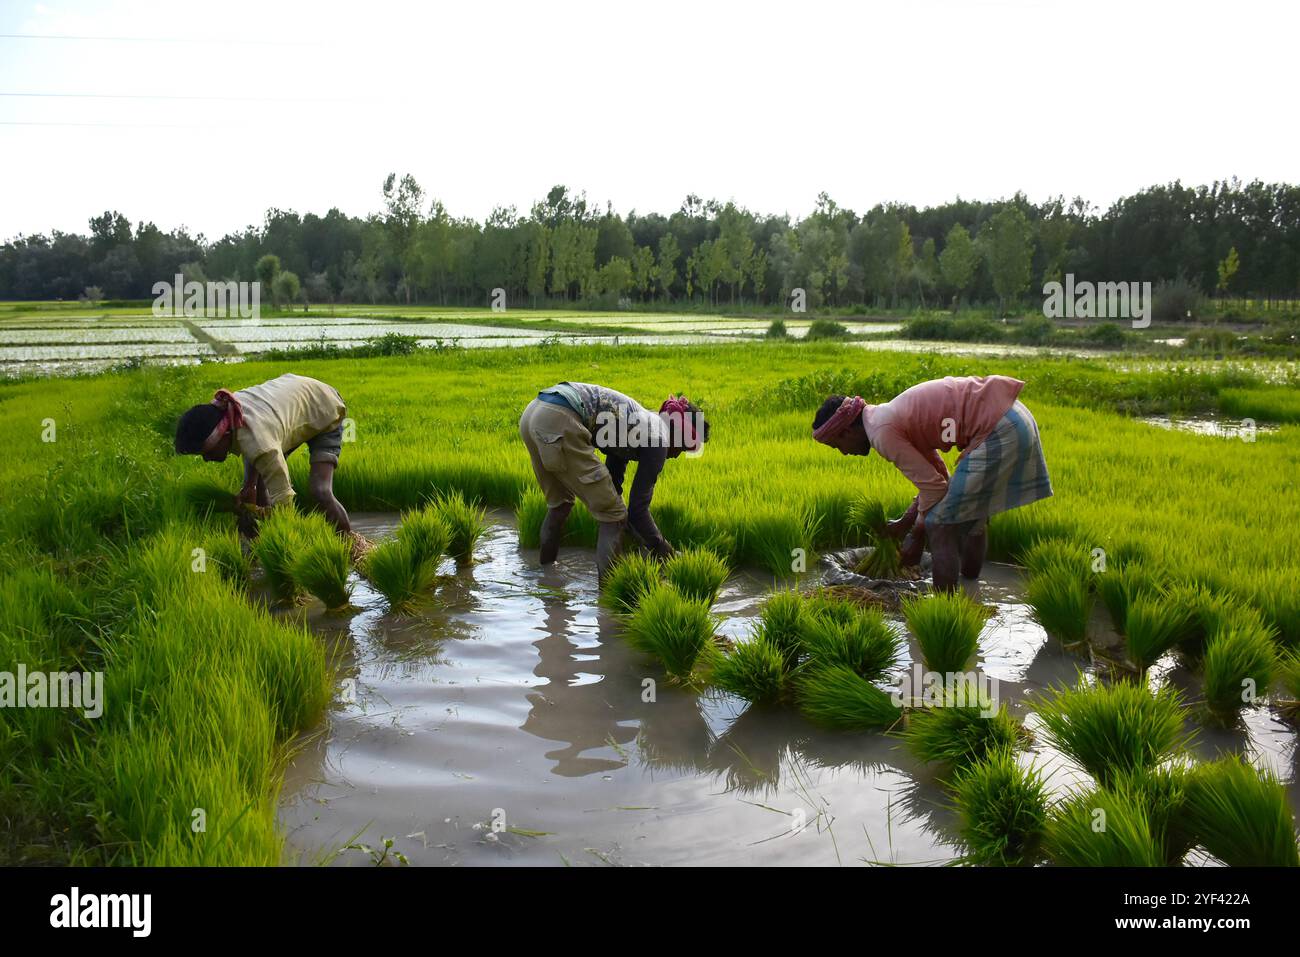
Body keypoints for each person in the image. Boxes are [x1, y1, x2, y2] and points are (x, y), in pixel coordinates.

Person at [811, 374, 1051, 591]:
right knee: (971, 520)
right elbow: (938, 476)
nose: (843, 453)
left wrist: (917, 536)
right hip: (1012, 417)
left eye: (837, 445)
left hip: (997, 427)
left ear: (845, 432)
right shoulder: (885, 417)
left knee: (939, 524)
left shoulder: (880, 432)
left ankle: (944, 611)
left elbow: (934, 487)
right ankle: (971, 591)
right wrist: (905, 522)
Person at [519, 382, 709, 580]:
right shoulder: (659, 439)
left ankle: (548, 580)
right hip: (561, 417)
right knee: (613, 517)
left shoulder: (639, 423)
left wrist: (635, 536)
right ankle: (608, 603)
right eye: (685, 448)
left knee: (560, 505)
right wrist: (664, 550)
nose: (678, 455)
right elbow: (637, 510)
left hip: (536, 411)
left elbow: (613, 485)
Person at [173, 373, 369, 557]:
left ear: (224, 435)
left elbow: (283, 499)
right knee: (257, 492)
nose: (207, 459)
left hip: (324, 408)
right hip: (285, 413)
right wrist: (249, 486)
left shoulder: (261, 445)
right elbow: (249, 444)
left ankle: (351, 545)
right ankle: (259, 547)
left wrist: (286, 540)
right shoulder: (233, 416)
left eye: (207, 452)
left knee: (320, 491)